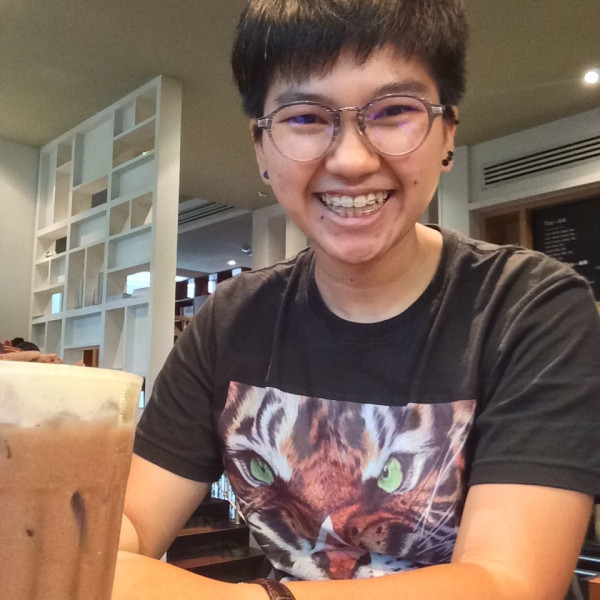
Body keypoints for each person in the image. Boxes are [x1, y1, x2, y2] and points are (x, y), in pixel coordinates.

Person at [113, 1, 600, 598]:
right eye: (304, 117)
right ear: (261, 147)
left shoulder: (530, 307)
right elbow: (131, 523)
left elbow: (508, 582)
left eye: (394, 111)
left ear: (447, 133)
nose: (351, 160)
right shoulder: (231, 320)